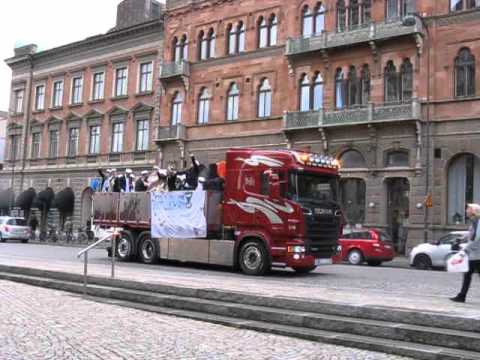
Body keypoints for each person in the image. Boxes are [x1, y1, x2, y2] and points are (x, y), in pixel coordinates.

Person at [450, 203, 480, 303]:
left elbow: (478, 238)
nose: (466, 210)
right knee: (467, 274)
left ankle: (461, 296)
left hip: (477, 254)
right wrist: (462, 238)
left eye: (468, 208)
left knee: (467, 274)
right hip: (474, 254)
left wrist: (466, 249)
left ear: (473, 211)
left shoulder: (477, 221)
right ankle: (461, 296)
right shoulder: (474, 221)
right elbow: (471, 234)